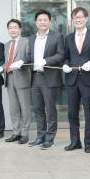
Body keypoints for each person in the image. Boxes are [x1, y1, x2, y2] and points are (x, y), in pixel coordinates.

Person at [62, 7, 90, 153]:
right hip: (72, 80)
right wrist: (65, 65)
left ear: (86, 19)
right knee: (72, 113)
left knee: (89, 113)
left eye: (80, 17)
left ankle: (88, 143)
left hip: (88, 79)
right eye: (75, 18)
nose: (78, 20)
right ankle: (75, 141)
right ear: (73, 20)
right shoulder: (68, 38)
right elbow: (66, 56)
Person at [28, 9, 65, 149]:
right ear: (35, 22)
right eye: (40, 20)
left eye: (45, 20)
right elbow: (29, 56)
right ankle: (40, 136)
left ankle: (50, 138)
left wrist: (46, 61)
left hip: (50, 78)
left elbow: (60, 55)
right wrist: (20, 62)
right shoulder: (32, 38)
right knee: (37, 109)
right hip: (35, 77)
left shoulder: (57, 36)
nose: (42, 22)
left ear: (50, 21)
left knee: (50, 110)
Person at [3, 19, 31, 144]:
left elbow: (30, 58)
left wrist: (22, 63)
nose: (13, 30)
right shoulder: (7, 45)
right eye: (10, 28)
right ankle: (16, 132)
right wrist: (0, 68)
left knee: (24, 107)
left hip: (22, 77)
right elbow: (7, 62)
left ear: (20, 29)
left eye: (15, 27)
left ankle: (25, 133)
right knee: (13, 107)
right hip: (9, 78)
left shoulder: (26, 42)